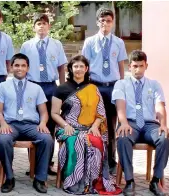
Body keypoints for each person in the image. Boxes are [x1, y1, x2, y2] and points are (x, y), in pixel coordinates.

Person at [51, 55, 121, 195]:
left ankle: (94, 182)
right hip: (68, 128)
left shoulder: (93, 88)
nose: (78, 69)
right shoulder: (61, 89)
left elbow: (100, 113)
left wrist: (95, 126)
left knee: (96, 142)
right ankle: (74, 182)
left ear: (86, 69)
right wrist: (66, 126)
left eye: (81, 66)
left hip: (90, 128)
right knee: (76, 142)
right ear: (70, 68)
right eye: (75, 66)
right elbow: (54, 113)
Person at [113, 50, 169, 196]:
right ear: (129, 67)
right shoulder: (121, 84)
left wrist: (163, 124)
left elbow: (160, 106)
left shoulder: (154, 84)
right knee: (122, 138)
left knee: (165, 137)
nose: (137, 69)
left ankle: (155, 180)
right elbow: (120, 105)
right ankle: (129, 181)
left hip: (149, 125)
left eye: (141, 65)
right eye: (134, 66)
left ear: (146, 66)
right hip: (130, 123)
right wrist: (124, 123)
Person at [0, 53, 53, 194]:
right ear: (11, 67)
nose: (19, 68)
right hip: (11, 125)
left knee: (47, 139)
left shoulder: (36, 88)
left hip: (31, 125)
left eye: (23, 66)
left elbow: (44, 112)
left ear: (28, 68)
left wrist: (43, 123)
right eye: (16, 65)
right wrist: (2, 123)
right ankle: (9, 178)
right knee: (3, 140)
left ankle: (39, 179)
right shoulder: (2, 86)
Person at [19, 13, 68, 176]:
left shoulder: (57, 44)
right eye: (38, 23)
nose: (41, 26)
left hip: (51, 87)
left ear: (49, 26)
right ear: (34, 27)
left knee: (50, 126)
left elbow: (61, 68)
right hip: (32, 87)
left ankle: (46, 163)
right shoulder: (26, 46)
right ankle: (33, 164)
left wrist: (63, 89)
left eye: (44, 23)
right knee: (33, 123)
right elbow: (22, 68)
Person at [81, 7, 128, 172]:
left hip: (113, 86)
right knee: (94, 123)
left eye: (108, 21)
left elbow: (121, 65)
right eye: (102, 21)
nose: (105, 24)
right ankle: (94, 159)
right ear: (97, 22)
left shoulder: (118, 42)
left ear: (112, 23)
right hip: (95, 86)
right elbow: (85, 65)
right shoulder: (90, 42)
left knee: (111, 124)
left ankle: (110, 161)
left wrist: (122, 85)